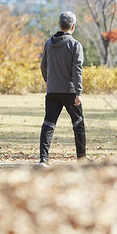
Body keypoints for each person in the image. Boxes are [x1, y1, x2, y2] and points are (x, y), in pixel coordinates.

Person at [38, 11, 87, 166]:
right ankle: (81, 159)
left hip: (52, 91)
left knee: (48, 124)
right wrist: (78, 92)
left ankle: (43, 159)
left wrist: (50, 82)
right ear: (73, 26)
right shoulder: (75, 45)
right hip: (70, 92)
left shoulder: (48, 43)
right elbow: (77, 70)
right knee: (78, 123)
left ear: (59, 24)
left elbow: (43, 66)